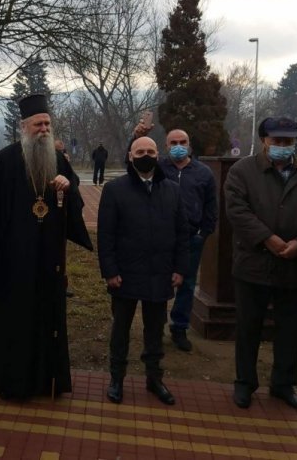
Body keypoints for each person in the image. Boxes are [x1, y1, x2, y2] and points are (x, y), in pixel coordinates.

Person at [0, 93, 93, 400]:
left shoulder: (59, 161)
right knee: (15, 321)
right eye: (38, 124)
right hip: (13, 262)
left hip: (49, 259)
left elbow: (73, 202)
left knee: (47, 319)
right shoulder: (5, 160)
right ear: (24, 127)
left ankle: (47, 379)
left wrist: (69, 188)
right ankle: (11, 382)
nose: (44, 130)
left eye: (48, 124)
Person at [224, 116, 297, 411]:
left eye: (288, 141)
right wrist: (268, 239)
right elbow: (237, 211)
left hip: (294, 265)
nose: (282, 145)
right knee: (248, 327)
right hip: (253, 264)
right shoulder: (242, 171)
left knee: (290, 330)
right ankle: (244, 383)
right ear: (264, 140)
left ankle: (284, 384)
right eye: (276, 140)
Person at [97, 136, 188, 405]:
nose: (145, 156)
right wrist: (110, 271)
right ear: (130, 156)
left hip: (160, 272)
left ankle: (154, 378)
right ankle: (117, 379)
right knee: (120, 330)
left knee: (155, 330)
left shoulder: (172, 190)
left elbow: (182, 233)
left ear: (158, 154)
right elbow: (106, 235)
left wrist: (180, 268)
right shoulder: (115, 189)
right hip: (125, 274)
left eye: (150, 151)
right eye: (140, 152)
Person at [131, 125, 217, 352]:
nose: (179, 147)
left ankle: (179, 327)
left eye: (183, 143)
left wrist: (203, 233)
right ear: (166, 146)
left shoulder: (204, 173)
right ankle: (156, 327)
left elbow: (211, 206)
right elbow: (132, 169)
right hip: (161, 237)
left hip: (191, 239)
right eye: (174, 143)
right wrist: (137, 138)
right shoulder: (157, 169)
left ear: (189, 145)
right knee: (159, 282)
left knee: (187, 284)